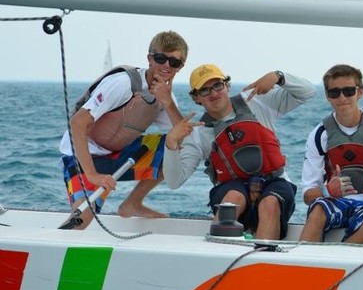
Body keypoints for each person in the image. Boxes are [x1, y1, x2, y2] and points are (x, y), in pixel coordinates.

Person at [163, 64, 315, 240]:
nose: (213, 93)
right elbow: (174, 182)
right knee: (233, 200)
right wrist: (171, 143)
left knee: (269, 203)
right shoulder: (197, 133)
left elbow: (308, 92)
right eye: (204, 90)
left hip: (275, 182)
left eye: (217, 85)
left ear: (227, 86)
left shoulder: (257, 102)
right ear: (196, 98)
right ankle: (218, 255)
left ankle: (262, 259)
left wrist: (279, 76)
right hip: (232, 189)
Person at [60, 30, 188, 229]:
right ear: (150, 58)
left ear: (181, 67)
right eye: (160, 58)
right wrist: (92, 175)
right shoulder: (123, 83)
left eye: (174, 62)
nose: (166, 65)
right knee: (82, 220)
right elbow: (78, 123)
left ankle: (132, 203)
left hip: (118, 153)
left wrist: (168, 103)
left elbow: (182, 135)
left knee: (179, 147)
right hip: (84, 155)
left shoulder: (164, 97)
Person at [299, 64, 363, 243]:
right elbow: (308, 195)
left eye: (348, 91)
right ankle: (302, 263)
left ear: (360, 92)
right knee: (317, 211)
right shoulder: (320, 135)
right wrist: (327, 190)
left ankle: (339, 264)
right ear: (327, 97)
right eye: (335, 93)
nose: (342, 98)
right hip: (336, 202)